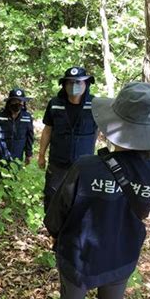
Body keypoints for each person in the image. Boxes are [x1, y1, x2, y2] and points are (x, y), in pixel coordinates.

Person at [44, 82, 150, 299]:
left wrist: (55, 236)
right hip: (122, 254)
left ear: (112, 127)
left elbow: (57, 214)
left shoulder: (86, 167)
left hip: (78, 255)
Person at [38, 67, 97, 216]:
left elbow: (99, 131)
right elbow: (47, 130)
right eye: (70, 82)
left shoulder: (95, 104)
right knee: (53, 197)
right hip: (58, 162)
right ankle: (52, 230)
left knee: (79, 200)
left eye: (78, 82)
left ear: (86, 84)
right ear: (64, 85)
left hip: (83, 164)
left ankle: (71, 231)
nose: (74, 86)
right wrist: (41, 154)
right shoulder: (55, 103)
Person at [0, 88, 34, 172]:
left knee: (14, 179)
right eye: (15, 101)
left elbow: (29, 136)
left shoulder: (27, 117)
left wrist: (28, 154)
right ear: (9, 102)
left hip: (18, 154)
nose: (17, 104)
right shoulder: (0, 115)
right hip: (1, 154)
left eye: (20, 102)